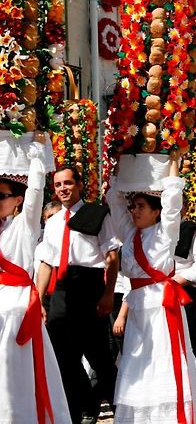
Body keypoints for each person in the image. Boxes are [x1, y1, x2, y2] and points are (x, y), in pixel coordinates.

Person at [108, 150, 196, 424]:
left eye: (141, 207)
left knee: (163, 362)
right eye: (133, 206)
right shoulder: (129, 233)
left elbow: (173, 205)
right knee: (138, 363)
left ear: (155, 211)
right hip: (138, 307)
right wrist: (120, 170)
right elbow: (115, 203)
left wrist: (172, 165)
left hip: (161, 307)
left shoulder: (165, 233)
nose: (134, 211)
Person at [37, 166, 120, 424]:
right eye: (58, 184)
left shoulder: (97, 215)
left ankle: (122, 407)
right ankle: (80, 410)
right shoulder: (51, 222)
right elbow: (46, 263)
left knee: (99, 357)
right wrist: (39, 300)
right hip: (61, 290)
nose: (63, 188)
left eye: (68, 183)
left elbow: (112, 256)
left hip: (90, 287)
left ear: (80, 184)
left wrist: (108, 294)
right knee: (63, 357)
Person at [0, 133, 71, 423]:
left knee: (14, 378)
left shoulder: (23, 225)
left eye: (2, 196)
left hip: (16, 311)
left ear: (17, 200)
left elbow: (36, 194)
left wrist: (38, 153)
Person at [172, 199, 196, 358]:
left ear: (185, 208)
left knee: (186, 344)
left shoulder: (193, 232)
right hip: (162, 291)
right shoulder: (155, 232)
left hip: (187, 293)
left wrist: (179, 279)